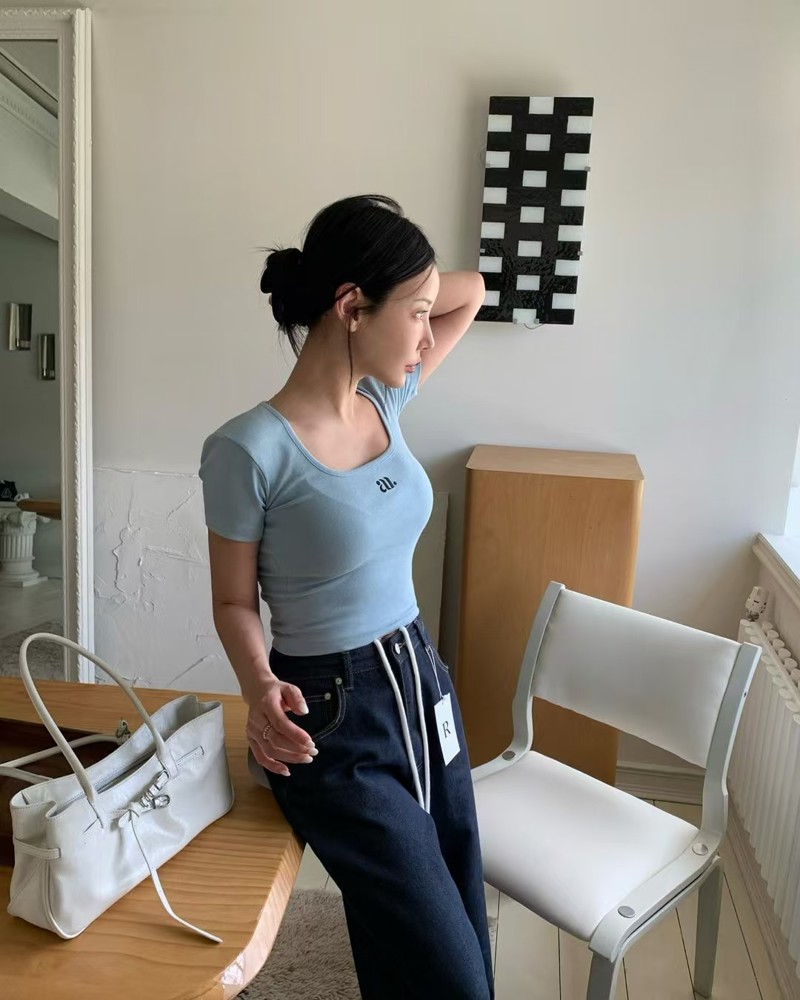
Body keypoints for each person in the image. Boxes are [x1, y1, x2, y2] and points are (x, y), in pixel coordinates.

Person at [199, 194, 493, 999]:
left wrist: (412, 282)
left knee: (452, 907)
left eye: (428, 314)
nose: (429, 336)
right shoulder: (247, 449)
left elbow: (471, 291)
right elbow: (232, 603)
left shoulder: (384, 400)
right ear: (352, 308)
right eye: (417, 315)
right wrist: (259, 686)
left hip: (422, 685)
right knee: (447, 968)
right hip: (330, 716)